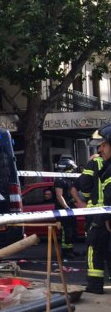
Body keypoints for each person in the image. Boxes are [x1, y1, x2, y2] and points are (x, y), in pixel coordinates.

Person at [75, 124, 111, 294]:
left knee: (94, 249)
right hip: (103, 214)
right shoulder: (105, 165)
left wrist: (88, 198)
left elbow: (84, 185)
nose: (100, 148)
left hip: (98, 215)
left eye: (104, 144)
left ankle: (95, 286)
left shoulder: (94, 163)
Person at [53, 159, 78, 259]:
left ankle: (70, 250)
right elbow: (59, 196)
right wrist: (67, 208)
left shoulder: (69, 179)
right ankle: (65, 252)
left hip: (70, 207)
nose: (73, 171)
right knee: (66, 231)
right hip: (63, 209)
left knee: (72, 230)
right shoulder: (59, 180)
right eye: (71, 168)